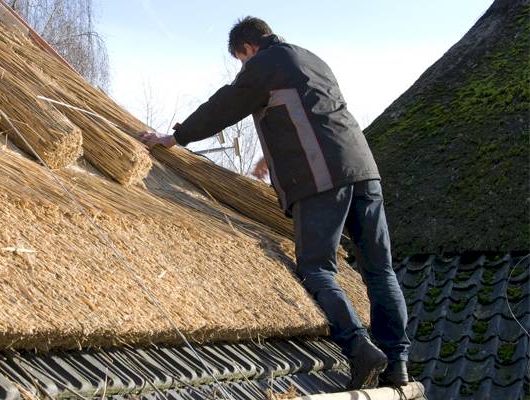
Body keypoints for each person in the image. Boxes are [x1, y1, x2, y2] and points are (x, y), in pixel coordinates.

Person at [139, 16, 410, 390]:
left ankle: (359, 348)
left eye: (241, 60)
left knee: (317, 268)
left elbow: (226, 104)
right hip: (364, 172)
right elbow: (314, 114)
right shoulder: (309, 59)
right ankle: (398, 363)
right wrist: (273, 156)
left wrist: (176, 135)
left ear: (247, 49)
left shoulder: (264, 64)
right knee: (380, 271)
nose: (244, 68)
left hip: (320, 179)